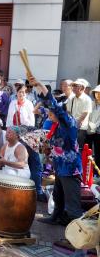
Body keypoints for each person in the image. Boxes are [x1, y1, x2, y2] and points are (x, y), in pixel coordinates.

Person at [30, 76, 83, 226]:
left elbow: (53, 105)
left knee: (72, 204)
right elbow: (56, 146)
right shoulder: (56, 126)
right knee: (58, 196)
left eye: (51, 113)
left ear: (59, 113)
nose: (48, 114)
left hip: (70, 170)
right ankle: (56, 217)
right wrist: (48, 152)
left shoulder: (68, 122)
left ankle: (77, 237)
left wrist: (40, 83)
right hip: (60, 167)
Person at [66, 78, 92, 150]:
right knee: (69, 146)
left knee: (78, 148)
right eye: (73, 85)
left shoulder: (87, 99)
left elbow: (85, 113)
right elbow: (68, 111)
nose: (73, 87)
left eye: (75, 85)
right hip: (71, 126)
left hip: (81, 128)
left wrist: (76, 124)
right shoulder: (71, 98)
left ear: (82, 87)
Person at [86, 84, 100, 169]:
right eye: (96, 93)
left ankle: (97, 170)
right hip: (89, 130)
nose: (97, 95)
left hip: (98, 131)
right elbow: (87, 115)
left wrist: (94, 125)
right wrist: (90, 125)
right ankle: (88, 168)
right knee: (88, 150)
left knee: (98, 152)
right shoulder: (91, 103)